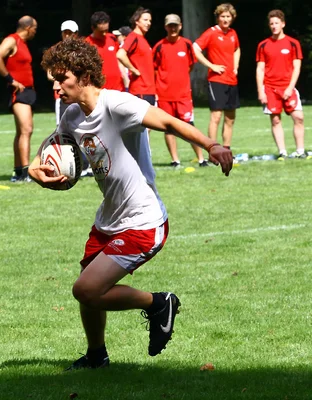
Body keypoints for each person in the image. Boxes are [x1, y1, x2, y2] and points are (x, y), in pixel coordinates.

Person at [31, 38, 233, 370]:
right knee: (88, 285)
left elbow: (168, 121)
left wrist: (212, 144)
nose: (55, 86)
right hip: (109, 218)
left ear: (83, 76)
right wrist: (38, 171)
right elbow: (46, 151)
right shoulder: (71, 116)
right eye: (52, 79)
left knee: (86, 289)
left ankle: (158, 303)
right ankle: (97, 355)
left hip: (143, 220)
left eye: (61, 78)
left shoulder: (118, 106)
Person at [153, 14, 208, 167]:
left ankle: (201, 158)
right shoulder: (159, 46)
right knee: (169, 128)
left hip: (183, 94)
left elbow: (190, 65)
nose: (173, 28)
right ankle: (175, 160)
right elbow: (155, 69)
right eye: (170, 25)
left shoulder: (187, 44)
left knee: (189, 125)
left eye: (175, 25)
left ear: (180, 26)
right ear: (165, 27)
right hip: (164, 95)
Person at [0, 15, 38, 183]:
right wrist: (11, 80)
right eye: (35, 29)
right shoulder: (12, 40)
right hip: (19, 92)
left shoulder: (23, 44)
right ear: (27, 28)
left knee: (21, 132)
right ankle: (26, 172)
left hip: (28, 91)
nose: (35, 32)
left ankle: (18, 171)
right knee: (27, 130)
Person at [256, 9, 306, 159]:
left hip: (287, 87)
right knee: (276, 120)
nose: (274, 26)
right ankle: (282, 152)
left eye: (276, 23)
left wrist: (290, 88)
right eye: (271, 23)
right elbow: (260, 69)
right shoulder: (263, 45)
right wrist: (261, 91)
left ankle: (300, 151)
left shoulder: (293, 43)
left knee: (298, 117)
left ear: (283, 24)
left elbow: (297, 67)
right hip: (270, 88)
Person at [193, 3, 240, 150]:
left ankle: (226, 149)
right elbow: (195, 48)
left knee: (230, 117)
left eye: (228, 16)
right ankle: (213, 149)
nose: (226, 19)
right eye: (223, 16)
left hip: (231, 80)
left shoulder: (233, 33)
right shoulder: (211, 32)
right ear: (218, 17)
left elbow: (237, 49)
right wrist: (211, 66)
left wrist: (235, 66)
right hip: (216, 80)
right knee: (216, 116)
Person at [117, 7, 156, 105]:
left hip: (148, 90)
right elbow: (120, 54)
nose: (148, 23)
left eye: (150, 20)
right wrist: (134, 70)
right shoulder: (133, 37)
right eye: (145, 20)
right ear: (137, 21)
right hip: (140, 90)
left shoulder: (143, 39)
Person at [84, 11, 125, 92]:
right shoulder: (86, 44)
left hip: (118, 88)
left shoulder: (112, 38)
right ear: (93, 28)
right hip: (100, 90)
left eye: (106, 30)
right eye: (101, 31)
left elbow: (118, 60)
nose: (104, 34)